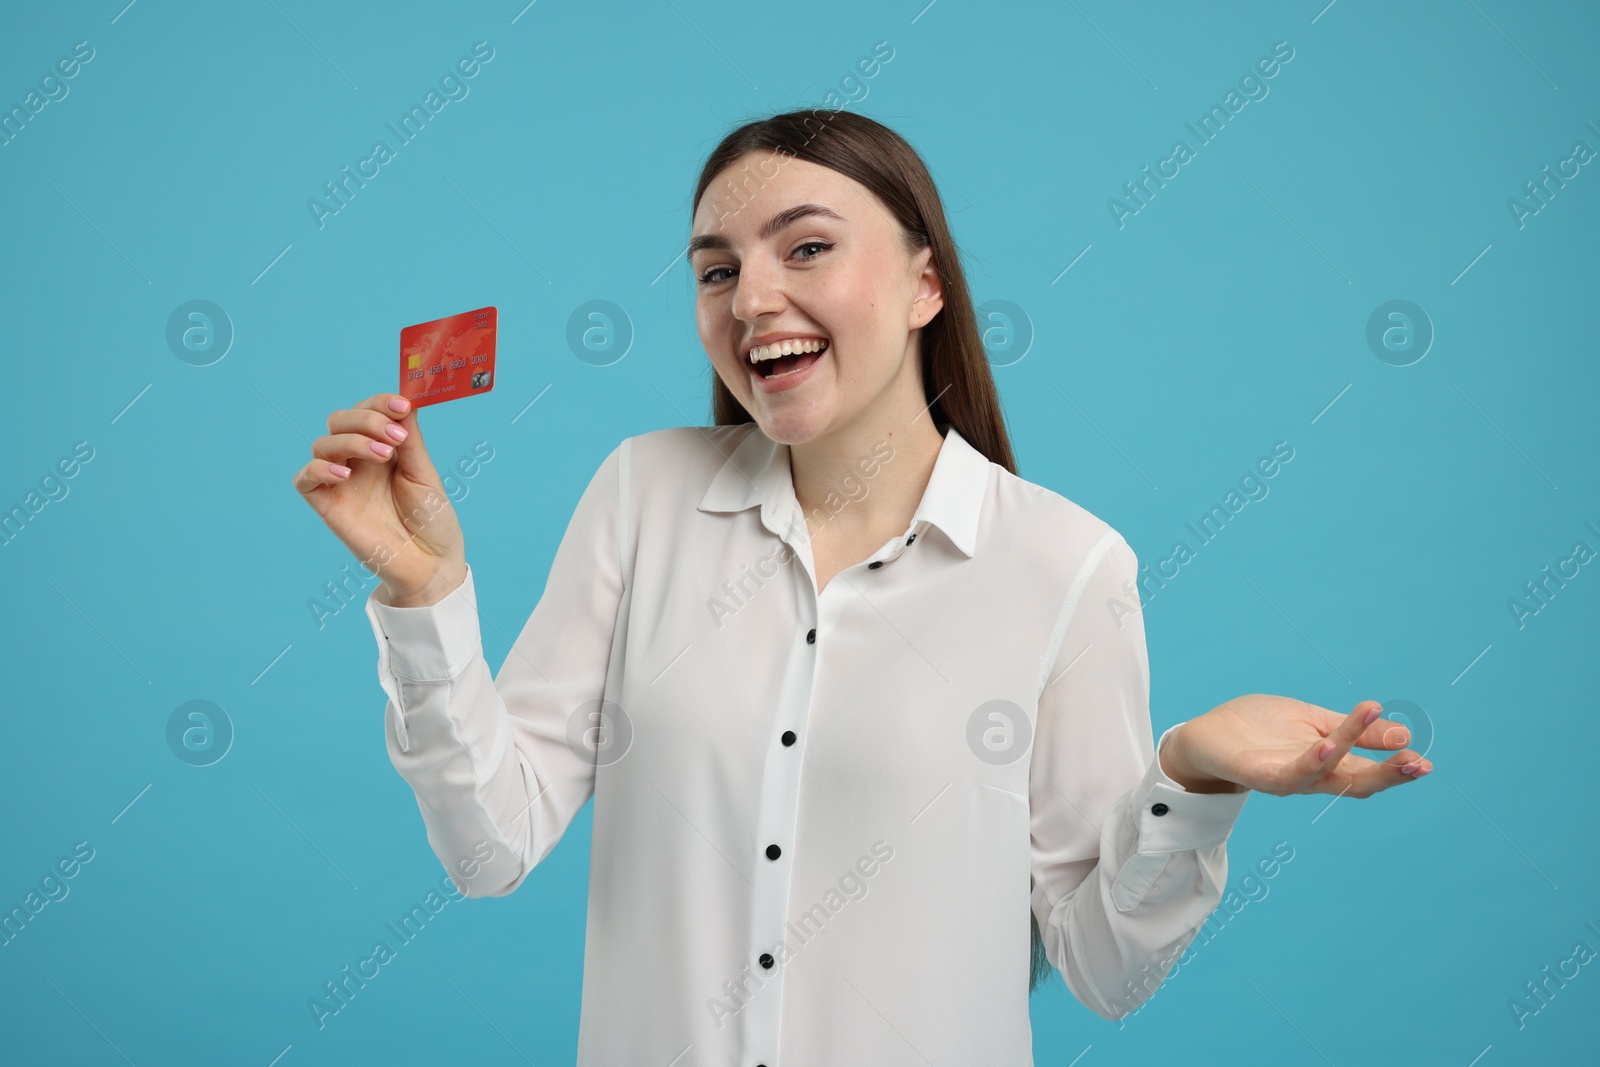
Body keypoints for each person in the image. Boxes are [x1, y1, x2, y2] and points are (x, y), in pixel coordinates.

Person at [292, 108, 1432, 1065]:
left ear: (926, 282)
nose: (748, 300)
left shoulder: (1065, 565)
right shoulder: (641, 495)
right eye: (715, 270)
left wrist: (1188, 773)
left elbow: (1103, 969)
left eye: (805, 248)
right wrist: (425, 594)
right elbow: (488, 848)